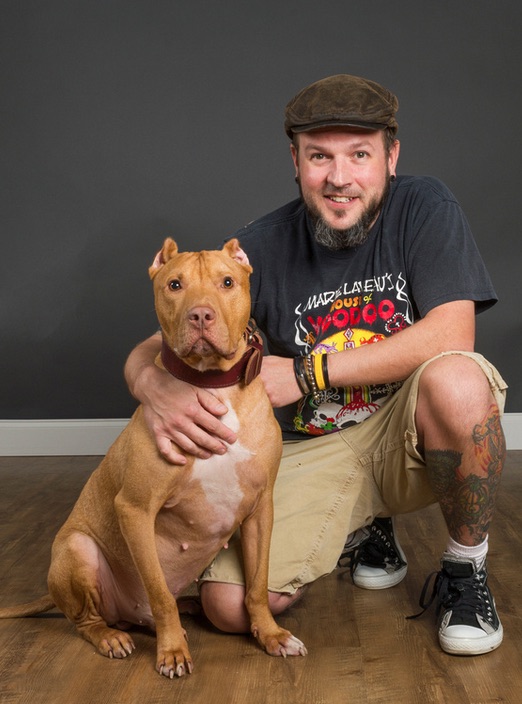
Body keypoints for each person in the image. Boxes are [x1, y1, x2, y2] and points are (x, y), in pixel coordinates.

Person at [125, 74, 507, 656]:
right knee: (228, 607)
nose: (339, 177)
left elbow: (454, 332)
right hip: (316, 448)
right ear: (296, 161)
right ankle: (367, 527)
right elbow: (166, 338)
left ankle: (466, 567)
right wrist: (149, 383)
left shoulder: (425, 206)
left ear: (391, 157)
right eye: (320, 156)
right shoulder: (258, 247)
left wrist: (307, 373)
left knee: (458, 379)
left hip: (406, 432)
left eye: (360, 155)